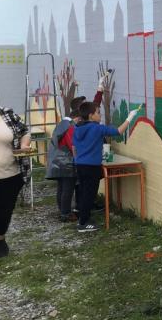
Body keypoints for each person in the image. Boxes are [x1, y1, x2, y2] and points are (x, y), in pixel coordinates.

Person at [47, 75, 108, 222]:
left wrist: (100, 89)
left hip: (58, 162)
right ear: (78, 115)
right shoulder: (70, 127)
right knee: (67, 188)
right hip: (66, 163)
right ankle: (66, 213)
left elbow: (94, 106)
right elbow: (73, 145)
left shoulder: (64, 123)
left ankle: (64, 211)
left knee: (63, 188)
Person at [72, 101, 137, 233]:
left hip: (80, 165)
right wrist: (130, 117)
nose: (100, 115)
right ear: (91, 115)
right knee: (89, 195)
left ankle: (82, 218)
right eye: (98, 112)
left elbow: (74, 147)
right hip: (92, 167)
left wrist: (77, 159)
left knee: (84, 192)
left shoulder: (77, 128)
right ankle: (83, 223)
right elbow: (118, 131)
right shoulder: (97, 128)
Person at [0, 105, 31, 258]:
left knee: (4, 211)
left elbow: (24, 131)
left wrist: (24, 145)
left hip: (10, 173)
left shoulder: (6, 113)